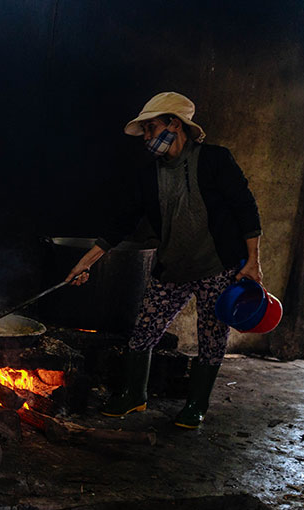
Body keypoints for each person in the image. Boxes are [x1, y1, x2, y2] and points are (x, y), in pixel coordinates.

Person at [65, 92, 263, 429]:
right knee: (144, 331)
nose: (146, 137)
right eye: (144, 130)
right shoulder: (148, 176)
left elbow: (245, 208)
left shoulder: (215, 160)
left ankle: (196, 405)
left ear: (175, 124)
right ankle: (134, 394)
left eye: (151, 128)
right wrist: (87, 261)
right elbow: (122, 223)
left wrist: (253, 261)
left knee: (212, 338)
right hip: (172, 268)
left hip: (217, 267)